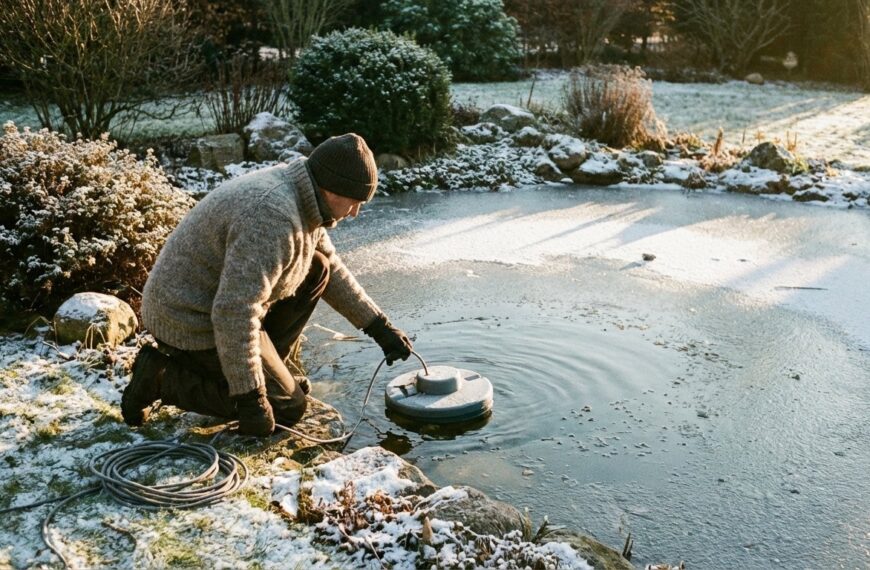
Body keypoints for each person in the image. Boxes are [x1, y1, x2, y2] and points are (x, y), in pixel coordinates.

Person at [121, 133, 413, 436]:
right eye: (354, 202)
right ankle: (159, 378)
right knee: (287, 409)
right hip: (187, 319)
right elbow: (234, 312)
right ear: (332, 189)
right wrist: (251, 399)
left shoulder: (305, 195)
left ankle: (272, 375)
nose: (356, 212)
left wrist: (378, 326)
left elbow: (332, 269)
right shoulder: (271, 217)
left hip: (219, 305)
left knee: (317, 268)